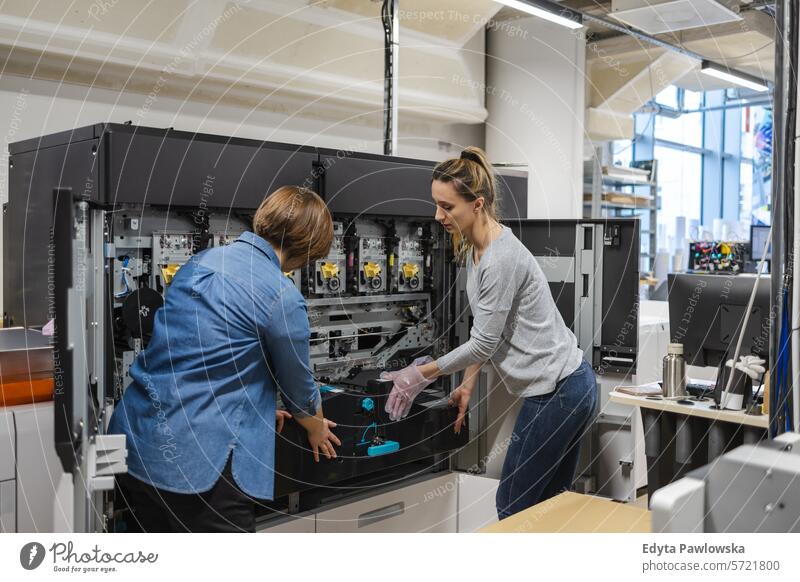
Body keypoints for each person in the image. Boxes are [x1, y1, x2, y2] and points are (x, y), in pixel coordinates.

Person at [108, 185, 341, 532]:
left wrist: (255, 408)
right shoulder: (282, 295)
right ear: (307, 249)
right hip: (198, 468)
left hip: (136, 441)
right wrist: (316, 426)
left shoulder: (201, 262)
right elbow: (299, 389)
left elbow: (204, 355)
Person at [381, 147, 597, 519]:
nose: (438, 215)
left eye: (447, 206)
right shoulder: (476, 249)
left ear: (477, 204)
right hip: (564, 387)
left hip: (561, 391)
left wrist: (421, 373)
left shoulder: (499, 259)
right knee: (549, 506)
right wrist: (466, 384)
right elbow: (488, 327)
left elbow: (483, 342)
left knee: (513, 504)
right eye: (436, 204)